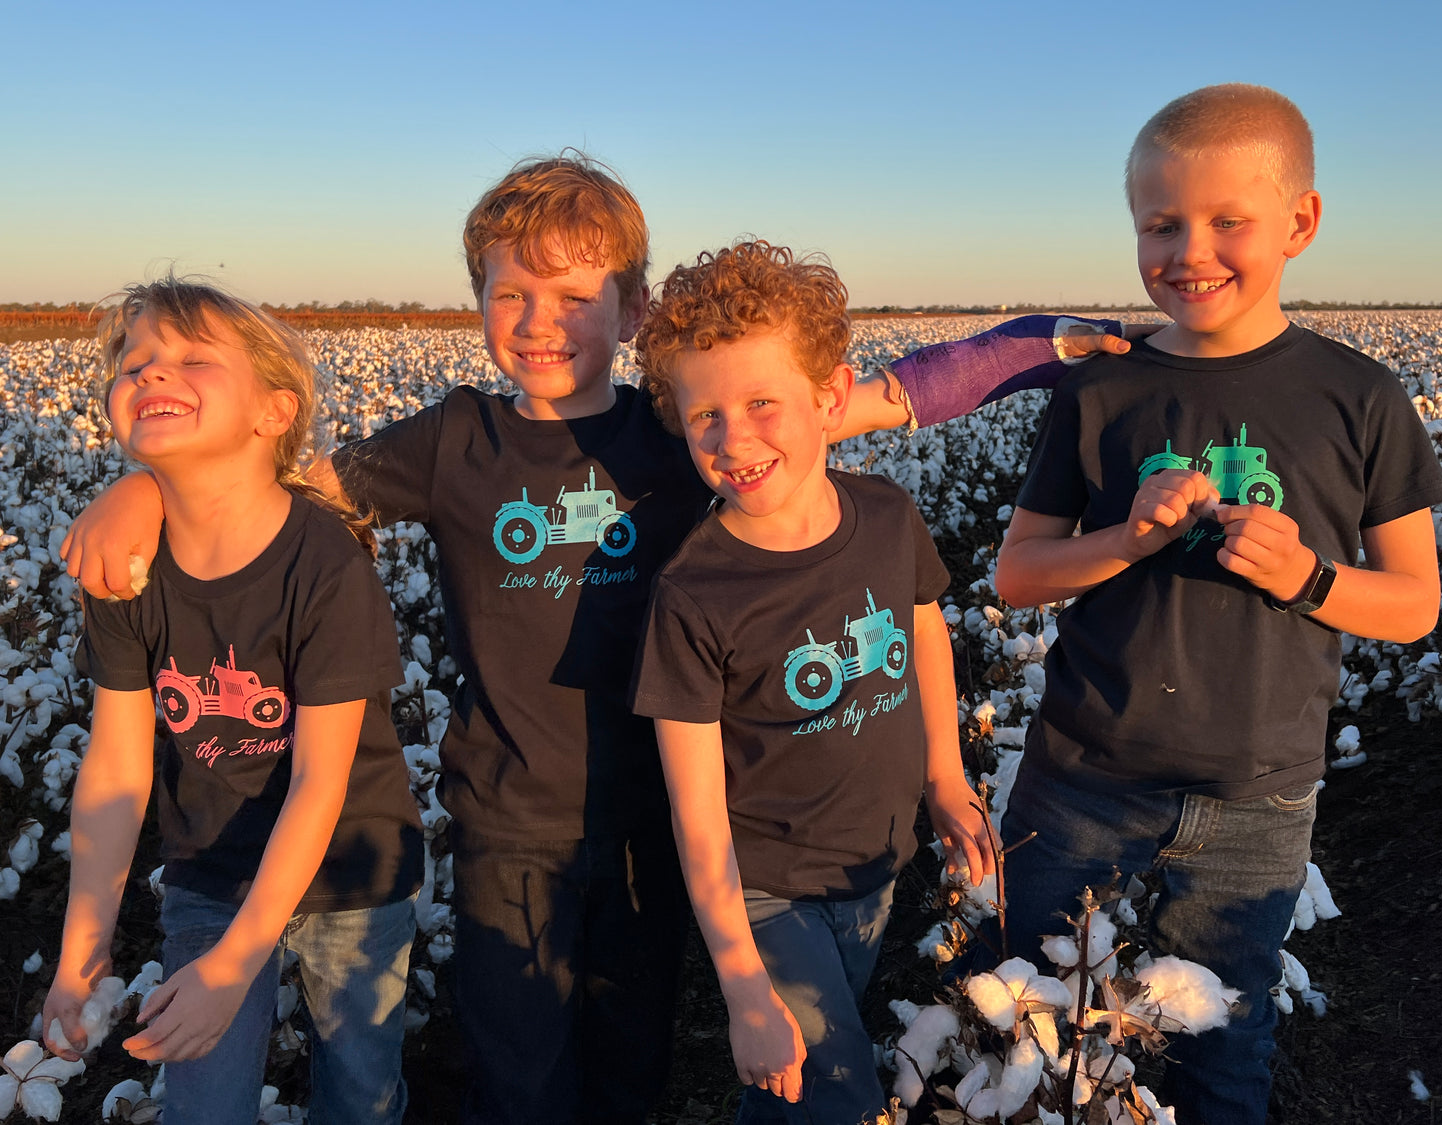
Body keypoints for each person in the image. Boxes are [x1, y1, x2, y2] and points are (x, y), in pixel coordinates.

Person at [57, 155, 1130, 1124]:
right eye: (510, 295)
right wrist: (145, 490)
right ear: (477, 300)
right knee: (518, 1069)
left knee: (632, 1060)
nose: (540, 322)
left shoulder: (685, 426)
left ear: (633, 309)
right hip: (507, 821)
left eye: (574, 297)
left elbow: (887, 399)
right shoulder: (454, 439)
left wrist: (1040, 345)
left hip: (660, 816)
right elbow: (287, 489)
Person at [900, 84, 1442, 1125]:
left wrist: (1308, 577)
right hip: (1082, 774)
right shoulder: (1100, 391)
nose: (1190, 251)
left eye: (1227, 220)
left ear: (1300, 221)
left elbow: (1416, 602)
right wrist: (1126, 539)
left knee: (1222, 1046)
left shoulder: (1361, 397)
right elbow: (1018, 575)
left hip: (1258, 796)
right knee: (1029, 1023)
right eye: (1161, 225)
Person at [629, 241, 995, 1125]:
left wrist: (945, 776)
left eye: (762, 402)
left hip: (872, 865)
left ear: (829, 398)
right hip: (767, 890)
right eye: (705, 414)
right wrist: (742, 985)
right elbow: (696, 811)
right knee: (841, 1093)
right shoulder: (693, 592)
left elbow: (923, 630)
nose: (734, 438)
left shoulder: (887, 517)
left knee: (789, 1084)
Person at [42, 278, 423, 1125]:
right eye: (134, 362)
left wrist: (234, 962)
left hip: (351, 869)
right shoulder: (122, 569)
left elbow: (320, 783)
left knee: (358, 1095)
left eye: (191, 359)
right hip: (211, 868)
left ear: (273, 412)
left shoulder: (325, 564)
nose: (150, 372)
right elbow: (116, 769)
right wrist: (81, 953)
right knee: (203, 1106)